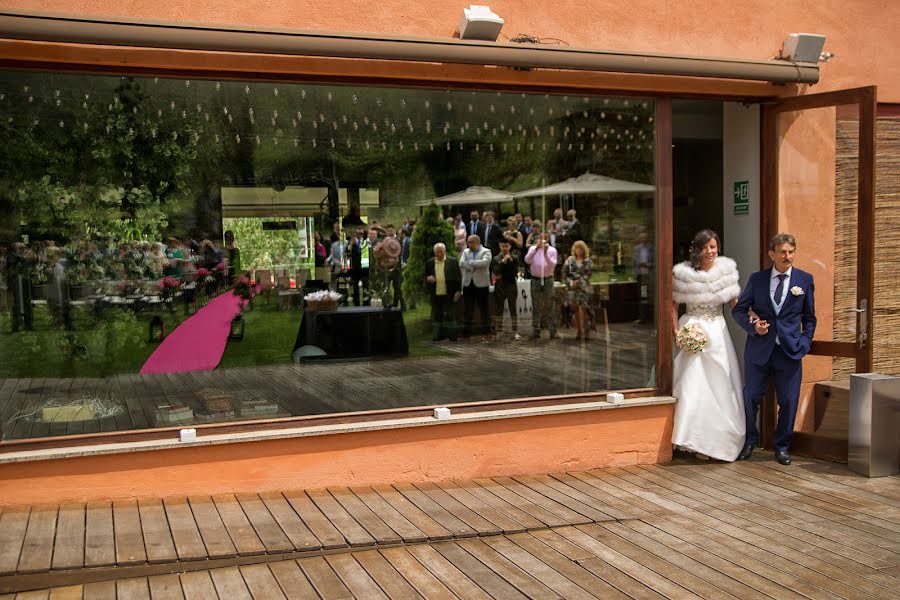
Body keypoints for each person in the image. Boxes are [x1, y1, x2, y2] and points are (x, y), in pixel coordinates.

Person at [733, 233, 816, 466]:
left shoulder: (804, 280)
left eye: (791, 252)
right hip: (759, 350)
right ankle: (750, 441)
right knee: (750, 397)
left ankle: (781, 447)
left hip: (789, 351)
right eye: (782, 252)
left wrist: (804, 342)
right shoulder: (757, 279)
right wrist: (753, 326)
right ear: (772, 254)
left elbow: (810, 318)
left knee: (789, 401)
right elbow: (739, 310)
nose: (787, 256)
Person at [671, 229, 744, 462]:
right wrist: (676, 331)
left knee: (720, 382)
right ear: (698, 250)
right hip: (692, 329)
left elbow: (735, 304)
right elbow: (673, 306)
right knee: (692, 384)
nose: (710, 251)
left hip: (717, 333)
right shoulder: (684, 274)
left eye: (714, 247)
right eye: (706, 247)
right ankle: (690, 438)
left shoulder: (725, 273)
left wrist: (753, 319)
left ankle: (716, 440)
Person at [525, 229, 558, 340]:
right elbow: (527, 260)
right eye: (541, 238)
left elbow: (552, 265)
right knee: (535, 305)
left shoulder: (552, 250)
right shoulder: (532, 249)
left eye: (545, 238)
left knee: (550, 304)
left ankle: (553, 331)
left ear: (548, 239)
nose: (543, 240)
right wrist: (536, 249)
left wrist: (545, 253)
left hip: (548, 279)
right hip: (535, 280)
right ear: (538, 239)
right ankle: (536, 330)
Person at [425, 243, 461, 341]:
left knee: (450, 315)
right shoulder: (430, 262)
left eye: (441, 252)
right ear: (434, 253)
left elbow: (458, 277)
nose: (439, 254)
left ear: (444, 251)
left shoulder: (452, 261)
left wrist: (458, 291)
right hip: (436, 293)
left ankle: (452, 336)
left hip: (449, 293)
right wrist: (428, 279)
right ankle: (438, 336)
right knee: (437, 315)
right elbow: (426, 276)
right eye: (437, 252)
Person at [459, 234, 492, 338]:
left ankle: (486, 330)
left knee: (484, 308)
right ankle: (467, 331)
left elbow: (485, 263)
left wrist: (471, 263)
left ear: (476, 242)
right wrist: (473, 265)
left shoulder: (486, 251)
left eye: (470, 242)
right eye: (467, 242)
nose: (468, 244)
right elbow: (461, 263)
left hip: (482, 284)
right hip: (468, 284)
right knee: (468, 308)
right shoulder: (465, 251)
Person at [565, 240, 594, 341]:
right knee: (576, 310)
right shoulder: (570, 260)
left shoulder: (588, 261)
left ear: (584, 250)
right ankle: (579, 330)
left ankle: (586, 331)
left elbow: (588, 274)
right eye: (577, 248)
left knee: (584, 310)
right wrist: (570, 282)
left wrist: (578, 281)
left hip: (583, 289)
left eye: (581, 248)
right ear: (574, 249)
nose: (579, 250)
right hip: (572, 290)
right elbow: (565, 273)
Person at [492, 239, 520, 340]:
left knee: (513, 309)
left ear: (510, 247)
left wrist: (510, 261)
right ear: (500, 246)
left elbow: (514, 273)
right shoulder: (496, 258)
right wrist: (503, 262)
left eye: (506, 246)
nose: (504, 248)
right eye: (503, 246)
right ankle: (499, 330)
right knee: (499, 309)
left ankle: (515, 330)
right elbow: (496, 272)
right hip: (500, 286)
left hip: (511, 285)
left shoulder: (515, 258)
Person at [633, 231, 654, 324]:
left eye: (645, 237)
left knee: (649, 296)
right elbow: (634, 262)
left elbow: (656, 261)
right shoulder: (637, 249)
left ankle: (649, 317)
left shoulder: (652, 248)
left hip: (650, 276)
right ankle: (642, 317)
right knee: (643, 296)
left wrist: (647, 264)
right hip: (641, 276)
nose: (643, 239)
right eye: (641, 238)